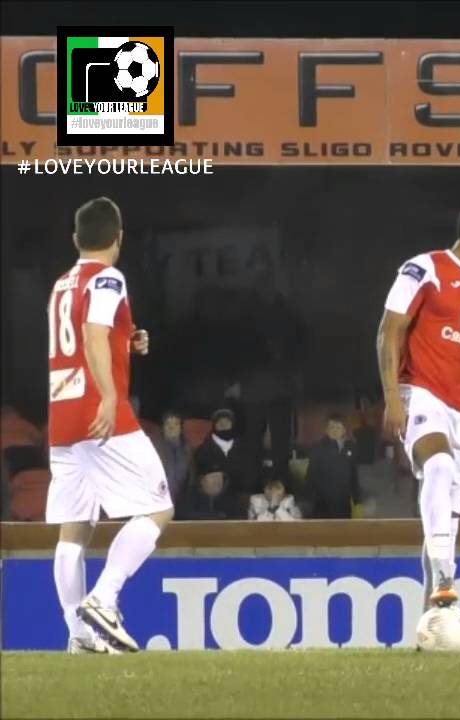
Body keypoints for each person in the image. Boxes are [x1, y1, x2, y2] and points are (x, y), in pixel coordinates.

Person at [45, 197, 173, 654]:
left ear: (75, 239)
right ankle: (104, 597)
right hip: (99, 413)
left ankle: (77, 636)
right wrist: (111, 394)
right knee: (158, 508)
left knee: (73, 529)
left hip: (61, 415)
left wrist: (129, 338)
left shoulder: (62, 284)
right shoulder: (108, 276)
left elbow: (94, 332)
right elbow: (94, 332)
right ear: (118, 238)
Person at [377, 199, 460, 614]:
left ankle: (433, 618)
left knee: (447, 522)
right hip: (422, 394)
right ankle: (446, 567)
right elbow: (388, 330)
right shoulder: (423, 268)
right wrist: (393, 397)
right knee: (438, 466)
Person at [192, 408, 252, 515]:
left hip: (239, 506)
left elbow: (250, 474)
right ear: (214, 425)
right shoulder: (203, 450)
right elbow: (197, 479)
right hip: (211, 508)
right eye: (220, 422)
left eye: (227, 422)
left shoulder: (245, 448)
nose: (223, 425)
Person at [302, 415, 362, 519]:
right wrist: (307, 498)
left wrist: (357, 498)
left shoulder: (350, 447)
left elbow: (353, 473)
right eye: (331, 427)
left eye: (338, 427)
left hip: (343, 500)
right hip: (323, 500)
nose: (334, 430)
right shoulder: (319, 448)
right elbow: (311, 473)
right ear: (326, 430)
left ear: (344, 430)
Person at [148, 411, 193, 509]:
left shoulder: (188, 449)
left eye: (176, 424)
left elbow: (191, 476)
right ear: (162, 427)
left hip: (183, 502)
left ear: (181, 428)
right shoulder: (153, 447)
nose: (171, 427)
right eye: (167, 424)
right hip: (158, 501)